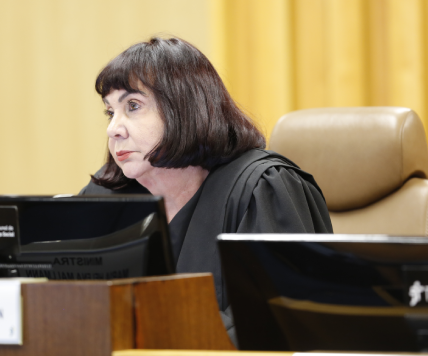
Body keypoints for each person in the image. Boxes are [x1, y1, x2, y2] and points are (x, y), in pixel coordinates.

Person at [80, 36, 333, 343]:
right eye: (110, 112)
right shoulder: (105, 195)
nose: (113, 129)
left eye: (133, 106)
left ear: (183, 108)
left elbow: (278, 321)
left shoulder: (263, 188)